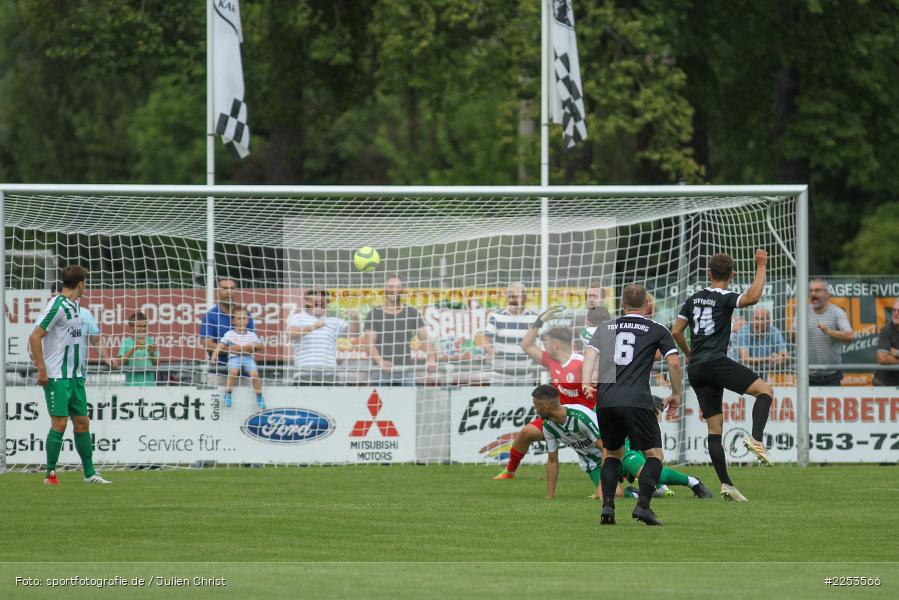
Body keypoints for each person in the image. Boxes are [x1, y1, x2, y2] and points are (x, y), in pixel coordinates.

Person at [670, 250, 775, 503]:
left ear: (708, 274)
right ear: (731, 275)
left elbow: (676, 331)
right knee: (765, 391)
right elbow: (753, 297)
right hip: (715, 362)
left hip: (697, 369)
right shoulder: (726, 297)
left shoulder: (693, 299)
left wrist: (689, 354)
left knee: (714, 429)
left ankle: (726, 485)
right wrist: (761, 266)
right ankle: (756, 439)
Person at [582, 284, 682, 526]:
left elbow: (590, 355)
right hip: (637, 400)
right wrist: (675, 393)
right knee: (654, 455)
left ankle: (607, 508)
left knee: (611, 454)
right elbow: (674, 364)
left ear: (622, 304)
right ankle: (643, 507)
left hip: (606, 400)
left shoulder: (605, 327)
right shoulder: (657, 328)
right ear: (647, 302)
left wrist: (586, 383)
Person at [28, 266, 110, 485]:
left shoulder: (76, 306)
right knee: (60, 424)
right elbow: (35, 337)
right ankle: (50, 475)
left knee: (82, 422)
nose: (86, 286)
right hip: (56, 376)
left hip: (75, 376)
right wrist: (41, 368)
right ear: (81, 283)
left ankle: (89, 473)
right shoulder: (56, 305)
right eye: (86, 282)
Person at [493, 312, 593, 480]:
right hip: (557, 417)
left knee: (600, 452)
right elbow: (526, 344)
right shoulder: (551, 360)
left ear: (556, 345)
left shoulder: (582, 364)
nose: (543, 346)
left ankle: (620, 474)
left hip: (582, 420)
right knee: (526, 433)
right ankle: (510, 471)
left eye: (546, 342)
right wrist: (539, 321)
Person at [532, 384, 604, 500]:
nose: (536, 410)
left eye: (536, 406)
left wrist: (602, 484)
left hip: (616, 453)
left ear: (545, 407)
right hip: (594, 464)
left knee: (642, 475)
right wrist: (550, 496)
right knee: (614, 494)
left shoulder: (580, 418)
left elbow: (605, 448)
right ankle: (632, 493)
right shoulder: (548, 426)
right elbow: (552, 460)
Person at [364, 274, 436, 385]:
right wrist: (381, 362)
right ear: (385, 289)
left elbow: (425, 339)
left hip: (405, 371)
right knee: (381, 402)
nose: (394, 290)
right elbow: (369, 343)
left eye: (398, 287)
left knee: (408, 402)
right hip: (380, 372)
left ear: (402, 289)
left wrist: (431, 359)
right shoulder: (374, 314)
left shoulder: (411, 312)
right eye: (390, 287)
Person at [286, 286, 359, 384]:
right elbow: (291, 334)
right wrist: (313, 326)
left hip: (329, 376)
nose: (320, 301)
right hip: (304, 375)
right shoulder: (297, 318)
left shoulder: (334, 321)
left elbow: (354, 333)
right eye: (316, 298)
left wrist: (355, 319)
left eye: (323, 300)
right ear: (307, 301)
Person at [798, 278, 854, 386]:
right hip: (807, 375)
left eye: (817, 290)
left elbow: (850, 336)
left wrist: (829, 331)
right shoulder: (802, 311)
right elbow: (792, 336)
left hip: (832, 376)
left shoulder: (837, 312)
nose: (813, 293)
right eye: (811, 290)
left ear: (827, 294)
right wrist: (793, 334)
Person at [199, 278, 256, 378]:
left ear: (235, 291)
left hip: (243, 372)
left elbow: (252, 341)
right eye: (225, 288)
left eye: (232, 288)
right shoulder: (210, 315)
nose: (228, 292)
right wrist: (232, 349)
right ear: (218, 291)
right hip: (218, 372)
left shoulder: (245, 314)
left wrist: (250, 347)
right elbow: (207, 343)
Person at [484, 283, 539, 384]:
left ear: (524, 298)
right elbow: (485, 340)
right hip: (499, 375)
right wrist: (491, 351)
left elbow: (544, 341)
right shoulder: (496, 316)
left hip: (525, 376)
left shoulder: (534, 318)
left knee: (525, 400)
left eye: (519, 297)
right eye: (512, 296)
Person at [210, 306, 265, 409]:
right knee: (233, 372)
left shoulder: (251, 335)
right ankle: (228, 393)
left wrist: (253, 346)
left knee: (255, 374)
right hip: (234, 358)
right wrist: (214, 354)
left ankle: (259, 396)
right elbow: (221, 345)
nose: (242, 321)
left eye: (244, 318)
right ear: (233, 321)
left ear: (247, 320)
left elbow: (260, 345)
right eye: (239, 318)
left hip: (247, 358)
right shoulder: (230, 334)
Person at [735, 308, 789, 380]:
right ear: (751, 320)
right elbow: (745, 359)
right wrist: (768, 359)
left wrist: (780, 357)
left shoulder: (774, 331)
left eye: (762, 319)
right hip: (743, 374)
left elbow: (786, 355)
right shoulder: (744, 331)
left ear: (768, 323)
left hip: (766, 373)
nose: (757, 322)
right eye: (756, 318)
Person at [116, 310, 159, 386]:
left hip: (149, 385)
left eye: (144, 326)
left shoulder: (151, 341)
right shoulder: (126, 342)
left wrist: (151, 352)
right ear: (132, 328)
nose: (142, 329)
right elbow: (119, 362)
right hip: (132, 385)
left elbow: (157, 363)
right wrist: (134, 348)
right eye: (139, 326)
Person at [572, 282, 611, 351]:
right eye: (589, 296)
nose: (591, 300)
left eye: (595, 296)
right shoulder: (576, 321)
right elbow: (572, 346)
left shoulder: (613, 320)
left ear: (603, 299)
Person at [874, 298, 899, 386]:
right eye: (894, 310)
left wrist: (896, 353)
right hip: (884, 384)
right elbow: (882, 358)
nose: (896, 313)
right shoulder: (886, 330)